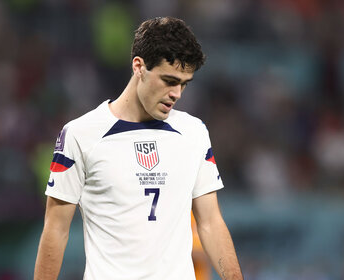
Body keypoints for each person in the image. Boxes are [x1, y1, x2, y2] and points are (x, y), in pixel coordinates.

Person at [34, 16, 243, 280]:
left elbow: (211, 223)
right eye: (169, 80)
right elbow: (56, 229)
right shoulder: (80, 135)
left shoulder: (194, 133)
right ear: (139, 67)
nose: (177, 93)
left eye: (184, 84)